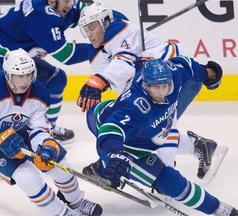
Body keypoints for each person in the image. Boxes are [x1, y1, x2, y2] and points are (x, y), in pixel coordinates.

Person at [76, 2, 224, 180]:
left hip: (181, 78)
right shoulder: (99, 56)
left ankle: (167, 177)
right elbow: (126, 83)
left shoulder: (117, 28)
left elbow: (124, 64)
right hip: (163, 84)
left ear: (105, 22)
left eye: (92, 27)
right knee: (147, 128)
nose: (89, 34)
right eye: (86, 30)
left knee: (160, 126)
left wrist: (101, 80)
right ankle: (197, 146)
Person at [83, 56, 237, 216]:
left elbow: (187, 65)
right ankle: (218, 209)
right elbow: (111, 129)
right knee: (171, 182)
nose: (162, 92)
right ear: (145, 84)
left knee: (160, 132)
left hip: (128, 126)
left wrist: (209, 73)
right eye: (156, 87)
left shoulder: (174, 74)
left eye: (165, 85)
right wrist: (116, 154)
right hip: (122, 142)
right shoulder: (136, 106)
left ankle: (103, 168)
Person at [0, 49, 103, 216]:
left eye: (28, 75)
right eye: (19, 76)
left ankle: (76, 201)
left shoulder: (40, 92)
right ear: (8, 74)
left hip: (19, 132)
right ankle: (61, 213)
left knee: (61, 164)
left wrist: (45, 145)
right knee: (28, 177)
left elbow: (38, 128)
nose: (25, 81)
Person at [0, 0, 89, 177]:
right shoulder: (43, 14)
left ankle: (48, 130)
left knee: (56, 78)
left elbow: (87, 8)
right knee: (3, 101)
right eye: (66, 0)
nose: (70, 4)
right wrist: (99, 48)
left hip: (18, 57)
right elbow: (66, 55)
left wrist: (112, 24)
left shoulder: (62, 7)